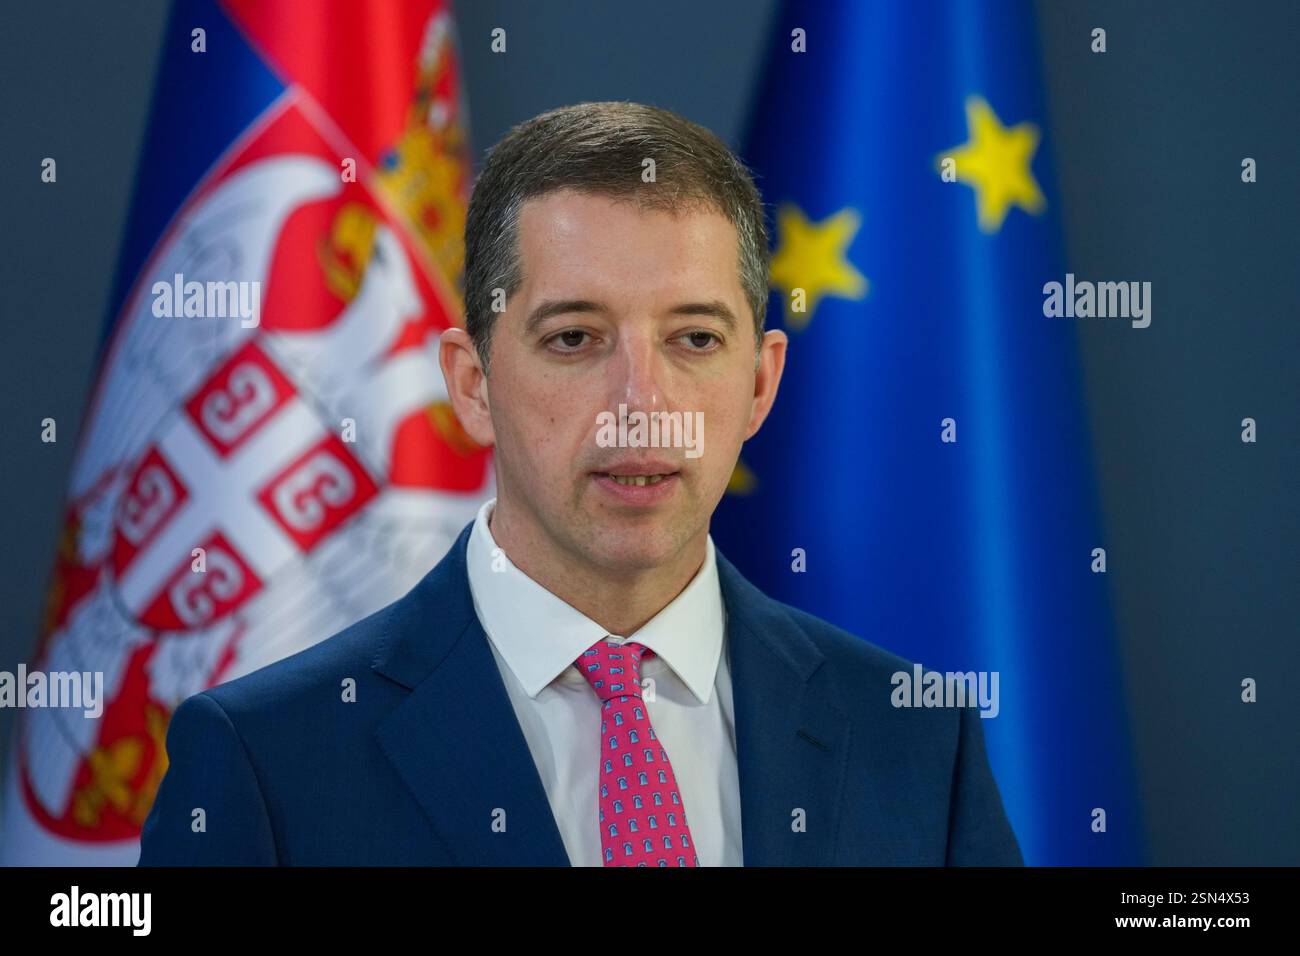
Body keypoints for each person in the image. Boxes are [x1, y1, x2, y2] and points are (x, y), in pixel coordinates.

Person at [138, 101, 1022, 866]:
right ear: (473, 383)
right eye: (573, 339)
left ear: (761, 383)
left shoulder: (915, 737)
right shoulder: (266, 759)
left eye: (695, 340)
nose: (640, 403)